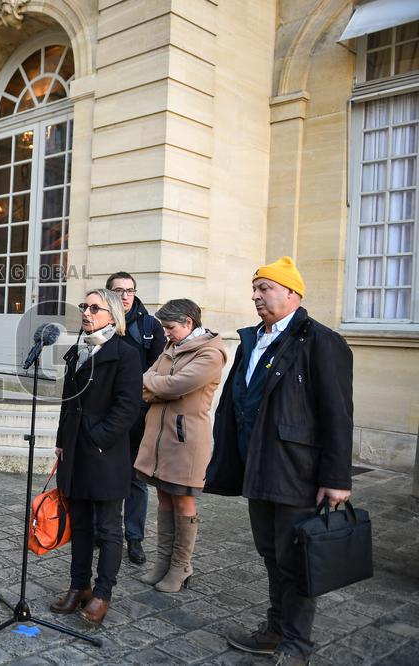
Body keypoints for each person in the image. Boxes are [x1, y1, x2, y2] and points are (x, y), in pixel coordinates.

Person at [205, 257, 353, 666]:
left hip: (296, 471)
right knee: (271, 553)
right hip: (258, 466)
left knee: (297, 559)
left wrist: (337, 478)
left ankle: (296, 645)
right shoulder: (252, 339)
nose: (255, 295)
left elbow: (337, 414)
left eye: (265, 288)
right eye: (254, 288)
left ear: (292, 293)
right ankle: (274, 629)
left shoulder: (321, 340)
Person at [49, 288, 140, 626]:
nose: (86, 313)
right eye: (83, 307)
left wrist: (98, 438)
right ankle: (78, 587)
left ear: (112, 316)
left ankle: (102, 593)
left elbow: (128, 406)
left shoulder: (126, 354)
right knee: (81, 524)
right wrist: (62, 440)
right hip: (74, 450)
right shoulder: (78, 349)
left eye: (94, 308)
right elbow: (67, 401)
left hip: (105, 453)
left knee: (108, 527)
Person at [133, 299, 226, 592]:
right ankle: (163, 562)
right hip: (159, 437)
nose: (166, 333)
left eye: (170, 327)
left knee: (183, 501)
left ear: (188, 322)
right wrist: (157, 384)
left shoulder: (210, 354)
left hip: (186, 440)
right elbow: (145, 380)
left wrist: (156, 384)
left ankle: (181, 566)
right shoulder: (170, 347)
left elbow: (174, 386)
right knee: (163, 498)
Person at [106, 271, 165, 565]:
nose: (125, 296)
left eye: (129, 290)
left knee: (136, 479)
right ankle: (104, 531)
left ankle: (134, 538)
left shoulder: (150, 325)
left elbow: (160, 368)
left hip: (139, 415)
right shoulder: (102, 320)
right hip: (106, 413)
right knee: (106, 474)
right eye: (119, 291)